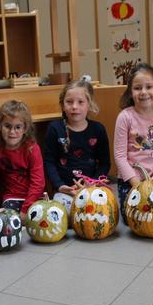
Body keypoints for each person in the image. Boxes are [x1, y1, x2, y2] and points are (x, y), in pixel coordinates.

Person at [114, 62, 153, 221]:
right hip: (130, 181)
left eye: (149, 87)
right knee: (134, 218)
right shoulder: (125, 117)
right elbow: (119, 156)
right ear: (130, 92)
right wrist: (137, 184)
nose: (144, 92)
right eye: (137, 88)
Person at [44, 78, 110, 212]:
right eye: (69, 102)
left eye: (80, 102)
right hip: (65, 191)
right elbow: (49, 162)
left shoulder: (98, 130)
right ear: (62, 105)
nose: (74, 106)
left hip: (91, 188)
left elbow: (105, 163)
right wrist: (60, 185)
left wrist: (92, 183)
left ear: (89, 105)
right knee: (62, 215)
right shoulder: (55, 129)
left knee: (100, 212)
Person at [0, 100, 45, 221]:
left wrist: (25, 209)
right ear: (0, 126)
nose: (12, 132)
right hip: (11, 198)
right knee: (4, 221)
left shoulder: (32, 149)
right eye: (7, 126)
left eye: (17, 127)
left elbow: (38, 183)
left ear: (25, 129)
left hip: (33, 197)